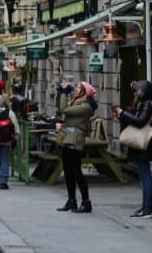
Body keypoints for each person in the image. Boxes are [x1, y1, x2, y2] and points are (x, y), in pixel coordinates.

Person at [114, 80, 152, 219]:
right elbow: (132, 120)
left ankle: (148, 209)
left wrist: (123, 114)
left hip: (144, 146)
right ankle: (145, 207)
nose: (135, 93)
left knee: (145, 177)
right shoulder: (141, 105)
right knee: (143, 176)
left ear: (143, 92)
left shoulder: (147, 105)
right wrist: (121, 115)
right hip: (141, 147)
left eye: (137, 90)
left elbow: (139, 122)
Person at [56, 81, 97, 213]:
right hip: (67, 134)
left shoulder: (86, 106)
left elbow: (64, 110)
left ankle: (86, 202)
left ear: (85, 92)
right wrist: (60, 92)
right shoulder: (75, 101)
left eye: (80, 88)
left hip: (75, 138)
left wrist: (63, 93)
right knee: (67, 170)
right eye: (77, 87)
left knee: (76, 171)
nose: (76, 90)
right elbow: (60, 108)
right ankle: (71, 200)